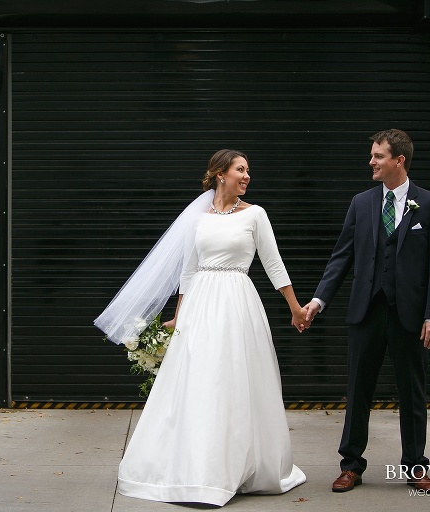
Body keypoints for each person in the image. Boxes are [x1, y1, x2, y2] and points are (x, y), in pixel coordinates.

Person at [97, 149, 307, 507]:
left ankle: (236, 466)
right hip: (200, 305)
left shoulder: (255, 215)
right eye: (240, 169)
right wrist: (179, 315)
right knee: (199, 380)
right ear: (220, 174)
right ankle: (193, 467)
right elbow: (188, 272)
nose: (247, 176)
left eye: (248, 171)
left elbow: (274, 264)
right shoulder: (199, 219)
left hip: (238, 302)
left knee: (234, 378)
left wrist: (295, 307)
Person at [303, 129, 430, 493]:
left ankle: (416, 466)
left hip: (411, 316)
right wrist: (318, 301)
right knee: (358, 391)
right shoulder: (361, 203)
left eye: (378, 156)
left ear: (399, 160)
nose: (371, 161)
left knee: (412, 392)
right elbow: (342, 256)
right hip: (365, 312)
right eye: (372, 155)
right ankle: (351, 465)